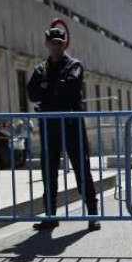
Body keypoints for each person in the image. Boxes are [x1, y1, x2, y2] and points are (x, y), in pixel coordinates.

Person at [27, 27, 100, 231]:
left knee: (81, 169)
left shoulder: (75, 65)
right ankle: (50, 215)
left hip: (71, 125)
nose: (56, 46)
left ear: (64, 43)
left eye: (60, 42)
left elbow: (70, 86)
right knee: (48, 171)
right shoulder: (40, 69)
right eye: (53, 42)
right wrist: (53, 87)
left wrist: (46, 88)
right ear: (47, 44)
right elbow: (32, 94)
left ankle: (93, 214)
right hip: (50, 126)